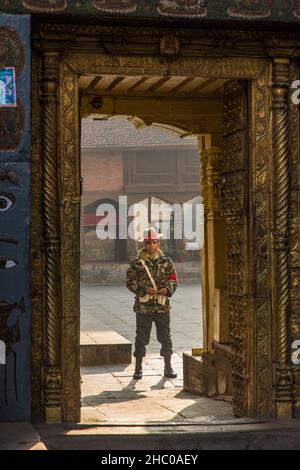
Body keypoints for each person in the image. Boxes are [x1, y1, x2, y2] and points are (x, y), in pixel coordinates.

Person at [126, 226, 178, 380]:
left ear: (158, 244)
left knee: (165, 337)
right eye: (148, 243)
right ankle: (138, 369)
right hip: (144, 308)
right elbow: (129, 281)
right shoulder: (137, 263)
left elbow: (173, 279)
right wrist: (142, 289)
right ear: (144, 244)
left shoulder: (166, 261)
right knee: (141, 338)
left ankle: (168, 368)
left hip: (162, 306)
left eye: (153, 242)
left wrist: (167, 289)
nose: (150, 245)